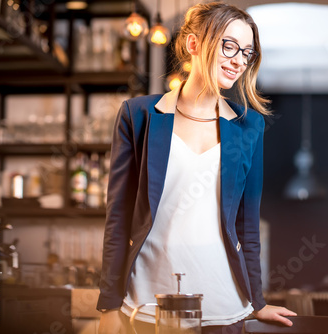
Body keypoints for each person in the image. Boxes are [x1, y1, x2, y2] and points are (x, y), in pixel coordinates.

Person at [97, 2, 296, 333]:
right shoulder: (139, 115)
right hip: (146, 305)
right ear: (193, 44)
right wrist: (108, 305)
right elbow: (117, 217)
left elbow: (248, 226)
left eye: (246, 52)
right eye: (228, 45)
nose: (238, 60)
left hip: (225, 305)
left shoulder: (250, 127)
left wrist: (257, 302)